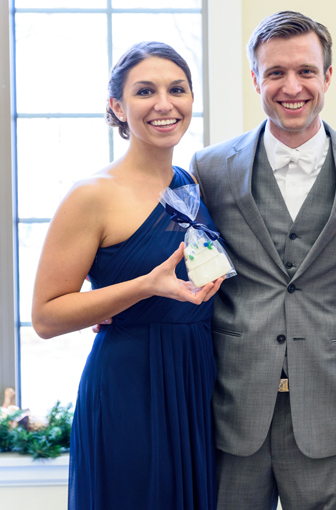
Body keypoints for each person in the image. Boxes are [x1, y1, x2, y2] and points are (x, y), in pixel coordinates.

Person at [189, 11, 336, 510]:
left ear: (327, 76)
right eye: (275, 72)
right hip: (234, 405)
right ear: (255, 78)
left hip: (331, 405)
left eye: (305, 71)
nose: (292, 86)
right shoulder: (209, 168)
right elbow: (189, 262)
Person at [31, 41, 224, 509]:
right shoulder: (92, 195)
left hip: (196, 380)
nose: (164, 103)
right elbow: (46, 317)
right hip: (129, 385)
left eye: (177, 89)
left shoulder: (191, 184)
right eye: (145, 91)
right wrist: (141, 287)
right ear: (117, 106)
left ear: (191, 102)